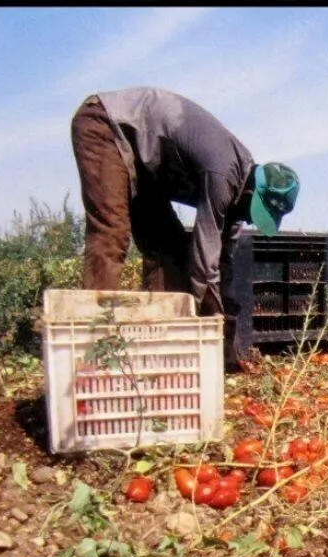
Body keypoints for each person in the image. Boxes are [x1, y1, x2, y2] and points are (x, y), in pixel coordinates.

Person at [70, 86, 299, 371]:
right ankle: (92, 353)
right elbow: (204, 266)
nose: (251, 220)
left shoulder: (238, 193)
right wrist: (212, 325)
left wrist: (227, 335)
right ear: (252, 194)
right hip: (107, 125)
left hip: (146, 169)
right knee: (112, 231)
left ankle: (157, 358)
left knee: (170, 251)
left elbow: (222, 263)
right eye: (255, 213)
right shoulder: (223, 175)